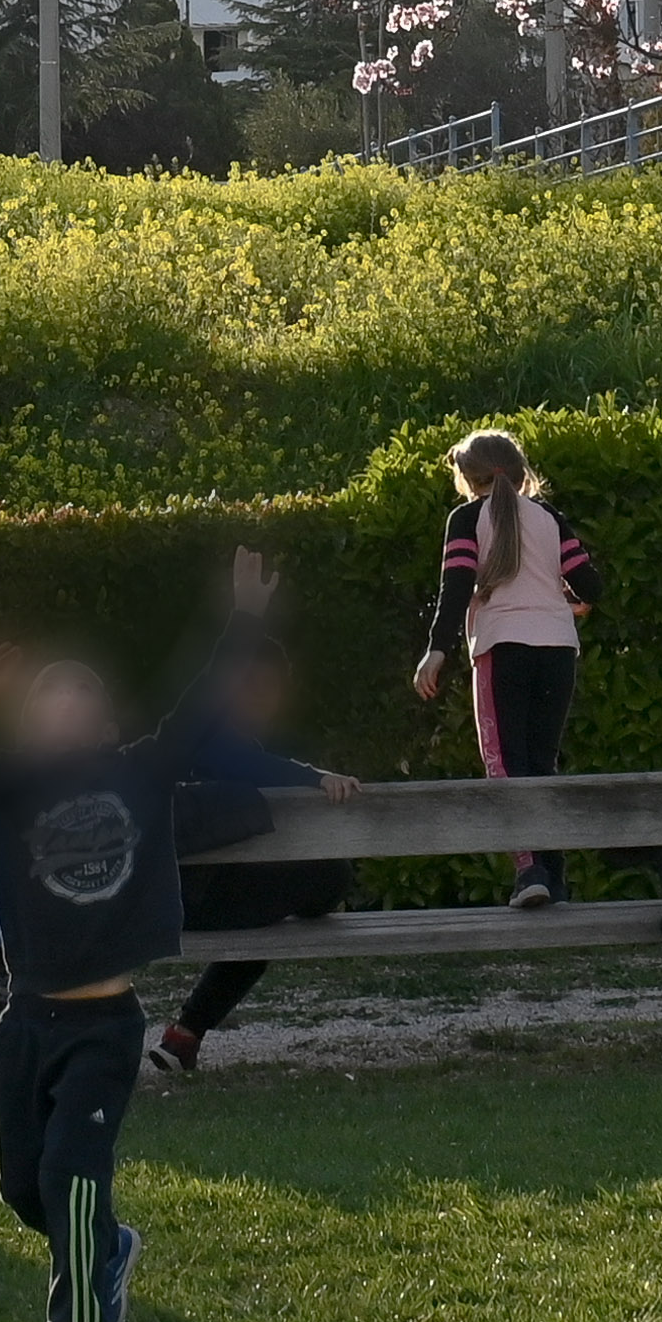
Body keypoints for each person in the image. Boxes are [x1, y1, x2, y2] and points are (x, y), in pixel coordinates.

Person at [0, 549, 305, 1322]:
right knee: (25, 1188)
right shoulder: (6, 793)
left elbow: (201, 716)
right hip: (25, 1025)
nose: (68, 705)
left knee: (73, 1174)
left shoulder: (139, 769)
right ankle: (106, 1248)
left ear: (101, 721)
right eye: (50, 693)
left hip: (104, 1023)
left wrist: (241, 618)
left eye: (83, 694)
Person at [159, 573, 367, 1079]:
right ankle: (187, 1030)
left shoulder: (226, 744)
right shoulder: (201, 741)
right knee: (329, 876)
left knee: (271, 920)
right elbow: (244, 766)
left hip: (199, 898)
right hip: (186, 898)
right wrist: (313, 776)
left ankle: (185, 1036)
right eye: (259, 687)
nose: (268, 701)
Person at [409, 425, 598, 906]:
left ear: (470, 480)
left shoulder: (467, 519)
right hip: (557, 648)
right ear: (519, 471)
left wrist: (436, 649)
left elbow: (455, 589)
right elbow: (591, 585)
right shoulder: (550, 517)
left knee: (504, 764)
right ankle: (555, 875)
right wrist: (566, 599)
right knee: (541, 764)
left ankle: (528, 871)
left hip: (501, 648)